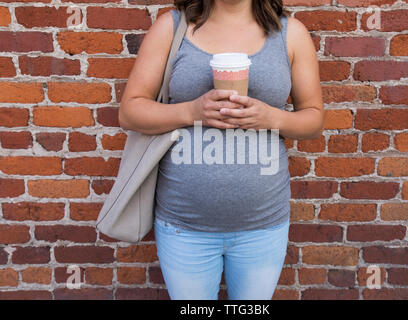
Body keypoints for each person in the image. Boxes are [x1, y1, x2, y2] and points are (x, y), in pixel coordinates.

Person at [118, 0, 324, 300]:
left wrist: (272, 118)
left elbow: (314, 119)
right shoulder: (172, 27)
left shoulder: (289, 34)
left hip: (263, 225)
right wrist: (192, 111)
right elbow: (130, 112)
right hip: (184, 225)